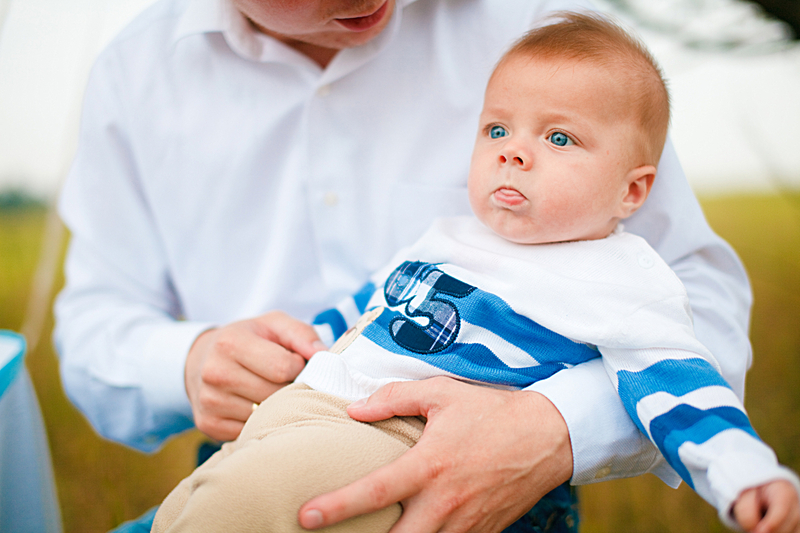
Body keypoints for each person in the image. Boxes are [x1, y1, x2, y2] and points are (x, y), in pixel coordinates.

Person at [54, 0, 757, 531]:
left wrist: (554, 427)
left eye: (555, 139)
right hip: (268, 434)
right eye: (496, 130)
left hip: (486, 481)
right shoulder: (135, 71)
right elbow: (94, 320)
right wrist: (187, 360)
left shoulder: (549, 32)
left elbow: (694, 317)